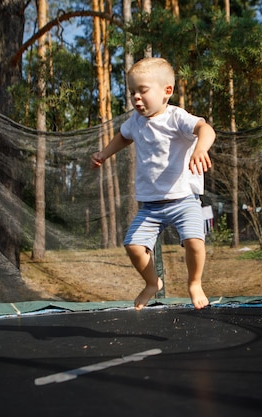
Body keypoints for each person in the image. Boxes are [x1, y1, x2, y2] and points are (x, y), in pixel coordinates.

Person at [91, 57, 216, 310]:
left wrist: (200, 149)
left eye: (143, 91)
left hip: (184, 200)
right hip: (150, 207)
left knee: (195, 240)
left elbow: (206, 129)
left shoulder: (176, 117)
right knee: (133, 245)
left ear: (166, 91)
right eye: (132, 92)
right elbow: (123, 137)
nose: (136, 98)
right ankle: (152, 283)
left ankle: (194, 283)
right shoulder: (136, 122)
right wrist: (104, 153)